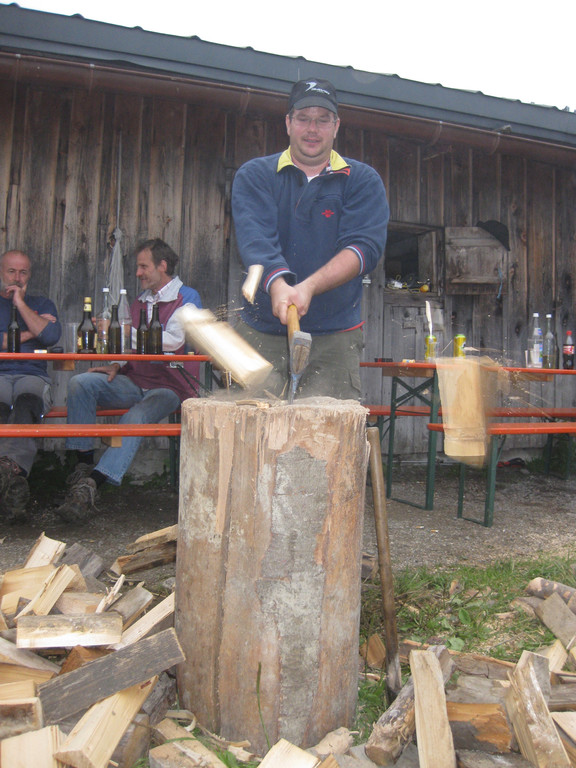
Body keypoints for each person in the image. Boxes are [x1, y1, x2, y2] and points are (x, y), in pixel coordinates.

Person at [231, 77, 389, 400]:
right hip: (260, 334)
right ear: (288, 123)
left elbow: (364, 248)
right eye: (303, 118)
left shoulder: (362, 180)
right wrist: (278, 285)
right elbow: (255, 240)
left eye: (323, 120)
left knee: (330, 428)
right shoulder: (255, 175)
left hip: (335, 339)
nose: (312, 129)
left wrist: (308, 287)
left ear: (336, 126)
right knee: (252, 425)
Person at [57, 238, 202, 524]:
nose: (138, 273)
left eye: (143, 266)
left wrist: (123, 331)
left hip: (171, 386)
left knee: (137, 416)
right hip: (135, 380)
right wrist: (117, 364)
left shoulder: (188, 297)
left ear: (162, 266)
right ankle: (83, 467)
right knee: (81, 383)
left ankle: (93, 485)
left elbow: (174, 341)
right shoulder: (140, 302)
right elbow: (133, 349)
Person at [0, 249, 61, 521]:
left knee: (26, 404)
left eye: (23, 272)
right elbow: (39, 332)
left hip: (32, 375)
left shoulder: (42, 303)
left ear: (30, 275)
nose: (17, 277)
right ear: (1, 272)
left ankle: (9, 472)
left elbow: (50, 336)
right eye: (11, 271)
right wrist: (31, 330)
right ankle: (13, 482)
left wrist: (20, 304)